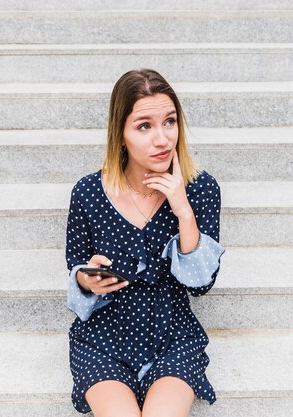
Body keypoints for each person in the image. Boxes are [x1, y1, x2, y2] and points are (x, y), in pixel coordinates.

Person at [65, 68, 225, 417]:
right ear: (120, 134)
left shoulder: (200, 189)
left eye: (170, 122)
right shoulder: (89, 193)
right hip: (104, 339)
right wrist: (87, 279)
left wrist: (183, 210)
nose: (162, 139)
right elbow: (75, 265)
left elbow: (202, 283)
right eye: (144, 126)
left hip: (173, 337)